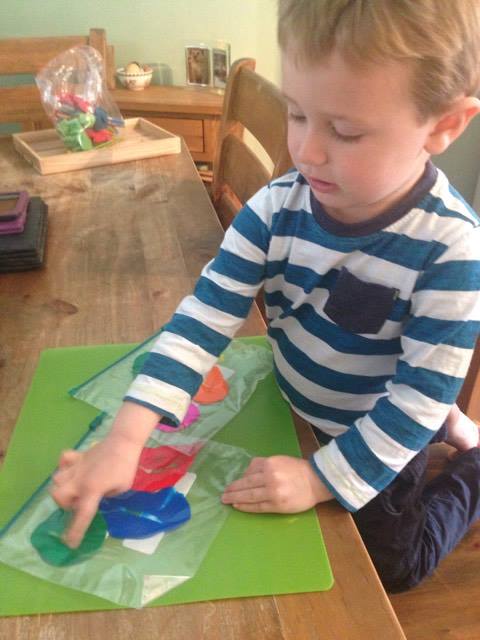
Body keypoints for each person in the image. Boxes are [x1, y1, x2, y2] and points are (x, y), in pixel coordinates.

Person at [52, 0, 480, 592]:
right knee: (423, 384)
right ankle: (445, 414)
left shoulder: (450, 252)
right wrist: (126, 435)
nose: (306, 152)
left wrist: (320, 479)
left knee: (393, 568)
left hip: (377, 423)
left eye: (346, 131)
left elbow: (413, 403)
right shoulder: (281, 205)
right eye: (298, 114)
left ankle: (473, 466)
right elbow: (205, 315)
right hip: (307, 399)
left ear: (444, 126)